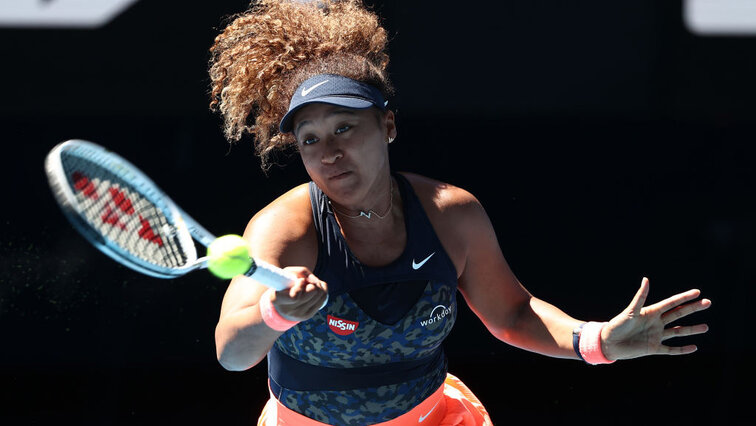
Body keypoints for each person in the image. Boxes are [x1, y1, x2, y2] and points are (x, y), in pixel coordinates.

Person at [208, 1, 711, 425]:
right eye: (310, 139)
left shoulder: (451, 214)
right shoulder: (286, 227)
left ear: (387, 126)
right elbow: (232, 354)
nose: (328, 152)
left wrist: (595, 340)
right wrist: (275, 313)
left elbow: (512, 313)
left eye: (344, 127)